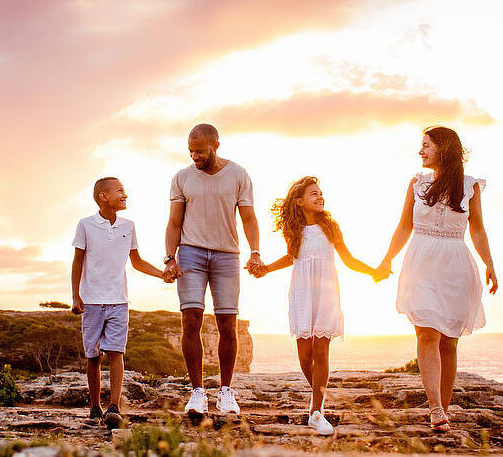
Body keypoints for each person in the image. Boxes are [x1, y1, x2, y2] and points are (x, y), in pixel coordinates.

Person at [376, 127, 497, 432]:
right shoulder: (417, 183)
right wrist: (387, 258)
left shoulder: (470, 187)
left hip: (455, 264)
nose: (420, 151)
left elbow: (478, 230)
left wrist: (490, 264)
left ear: (443, 148)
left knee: (450, 343)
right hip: (422, 262)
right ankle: (435, 408)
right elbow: (404, 226)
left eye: (426, 146)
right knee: (427, 333)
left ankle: (443, 410)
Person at [258, 176, 382, 435]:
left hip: (326, 292)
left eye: (321, 193)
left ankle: (316, 411)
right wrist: (267, 268)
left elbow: (348, 259)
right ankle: (319, 396)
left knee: (321, 350)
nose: (319, 197)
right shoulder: (293, 229)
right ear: (299, 201)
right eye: (313, 194)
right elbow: (292, 257)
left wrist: (373, 271)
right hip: (303, 292)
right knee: (305, 356)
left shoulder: (330, 227)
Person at [163, 123, 263, 422]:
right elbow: (174, 222)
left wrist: (255, 251)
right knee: (190, 318)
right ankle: (196, 392)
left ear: (216, 146)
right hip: (190, 253)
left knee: (227, 323)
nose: (195, 157)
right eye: (191, 152)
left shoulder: (238, 174)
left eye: (200, 151)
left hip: (227, 255)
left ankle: (226, 391)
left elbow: (248, 217)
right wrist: (170, 258)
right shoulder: (181, 177)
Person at [71, 176, 165, 428]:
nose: (125, 195)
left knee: (116, 351)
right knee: (93, 356)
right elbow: (77, 261)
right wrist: (76, 296)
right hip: (91, 301)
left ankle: (114, 407)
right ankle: (94, 407)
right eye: (120, 191)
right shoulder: (86, 225)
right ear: (104, 196)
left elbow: (137, 261)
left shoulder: (129, 226)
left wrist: (162, 274)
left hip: (118, 301)